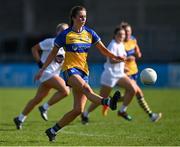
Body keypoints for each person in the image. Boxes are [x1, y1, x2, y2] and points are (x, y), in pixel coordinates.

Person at [35, 6, 124, 142]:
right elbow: (53, 53)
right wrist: (42, 69)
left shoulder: (90, 33)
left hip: (84, 71)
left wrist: (114, 56)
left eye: (85, 16)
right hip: (70, 70)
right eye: (81, 16)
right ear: (73, 18)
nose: (83, 19)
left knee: (78, 110)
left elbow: (103, 49)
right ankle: (108, 102)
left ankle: (52, 130)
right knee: (86, 89)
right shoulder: (65, 34)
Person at [13, 23, 70, 130]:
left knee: (37, 99)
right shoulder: (51, 42)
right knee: (65, 91)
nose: (63, 32)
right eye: (61, 30)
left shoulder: (66, 48)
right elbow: (34, 49)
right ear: (57, 32)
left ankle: (20, 118)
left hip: (52, 75)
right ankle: (45, 107)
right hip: (46, 73)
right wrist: (40, 63)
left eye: (66, 31)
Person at [81, 27, 137, 124]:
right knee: (102, 98)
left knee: (133, 89)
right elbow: (111, 60)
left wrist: (123, 67)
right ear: (115, 35)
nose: (121, 36)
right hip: (110, 75)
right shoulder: (113, 45)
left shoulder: (121, 45)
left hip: (120, 74)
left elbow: (120, 60)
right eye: (119, 34)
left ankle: (122, 110)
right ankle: (85, 113)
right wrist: (123, 60)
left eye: (123, 34)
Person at [118, 22, 162, 122]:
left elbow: (138, 53)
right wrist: (126, 59)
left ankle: (110, 101)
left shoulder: (133, 39)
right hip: (125, 73)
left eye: (129, 31)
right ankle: (151, 115)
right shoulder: (120, 43)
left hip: (134, 71)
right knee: (137, 92)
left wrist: (137, 53)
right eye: (126, 32)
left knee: (129, 94)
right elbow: (116, 58)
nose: (128, 33)